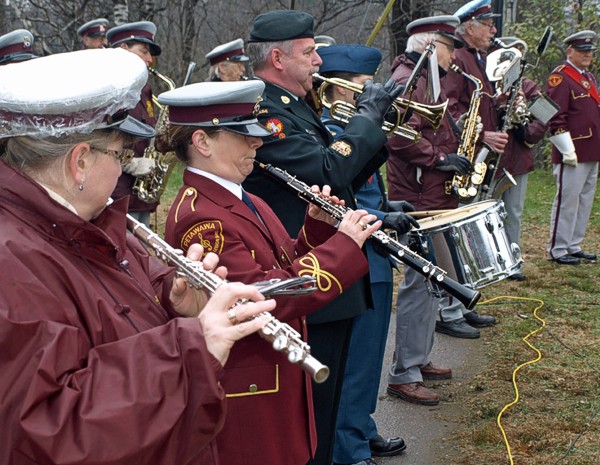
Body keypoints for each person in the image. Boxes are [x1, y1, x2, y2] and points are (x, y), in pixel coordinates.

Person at [0, 48, 276, 465]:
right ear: (80, 162)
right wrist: (193, 344)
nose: (122, 171)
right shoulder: (12, 263)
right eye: (121, 155)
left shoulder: (84, 222)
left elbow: (114, 312)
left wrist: (173, 299)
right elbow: (48, 430)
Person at [161, 79, 379, 465]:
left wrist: (316, 229)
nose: (257, 143)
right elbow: (258, 298)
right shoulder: (201, 218)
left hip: (276, 375)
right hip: (249, 388)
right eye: (243, 136)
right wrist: (343, 248)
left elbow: (278, 265)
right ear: (203, 142)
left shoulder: (242, 194)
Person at [241, 9, 403, 465]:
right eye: (310, 52)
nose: (319, 61)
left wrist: (374, 130)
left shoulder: (293, 103)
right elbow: (325, 171)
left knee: (327, 408)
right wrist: (365, 122)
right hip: (305, 264)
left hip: (327, 260)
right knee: (315, 408)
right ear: (277, 57)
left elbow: (340, 177)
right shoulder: (266, 111)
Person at [317, 44, 415, 465]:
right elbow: (334, 193)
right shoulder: (331, 129)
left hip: (374, 247)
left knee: (371, 354)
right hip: (354, 248)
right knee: (354, 361)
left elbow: (365, 187)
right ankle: (348, 448)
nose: (370, 96)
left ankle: (362, 426)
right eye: (362, 88)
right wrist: (379, 215)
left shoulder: (358, 127)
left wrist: (386, 209)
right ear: (338, 89)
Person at [385, 15, 468, 405]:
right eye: (450, 47)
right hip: (418, 195)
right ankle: (404, 371)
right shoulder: (409, 78)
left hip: (433, 193)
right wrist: (440, 158)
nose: (455, 57)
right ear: (431, 45)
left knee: (430, 280)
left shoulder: (425, 76)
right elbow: (398, 138)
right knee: (420, 282)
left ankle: (418, 358)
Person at [433, 0, 503, 338]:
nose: (493, 30)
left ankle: (462, 303)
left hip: (474, 154)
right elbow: (450, 111)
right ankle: (450, 309)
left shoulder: (475, 60)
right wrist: (483, 135)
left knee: (464, 235)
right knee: (455, 238)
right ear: (469, 26)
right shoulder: (460, 61)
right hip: (462, 156)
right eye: (487, 23)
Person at [489, 37, 548, 280]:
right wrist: (499, 108)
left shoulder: (529, 86)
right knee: (485, 211)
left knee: (513, 212)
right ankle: (489, 259)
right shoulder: (488, 83)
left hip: (517, 159)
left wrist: (524, 126)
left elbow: (544, 116)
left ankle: (512, 261)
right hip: (490, 158)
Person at [545, 30, 599, 265]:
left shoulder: (588, 77)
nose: (587, 55)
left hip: (591, 147)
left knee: (584, 199)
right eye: (582, 50)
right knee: (567, 200)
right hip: (572, 149)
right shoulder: (560, 77)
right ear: (569, 51)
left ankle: (573, 243)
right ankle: (557, 248)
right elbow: (555, 116)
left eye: (590, 51)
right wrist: (566, 149)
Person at [107, 21, 162, 227]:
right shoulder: (107, 87)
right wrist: (127, 163)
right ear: (123, 50)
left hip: (141, 192)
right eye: (144, 52)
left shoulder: (143, 88)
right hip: (116, 191)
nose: (149, 59)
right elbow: (96, 135)